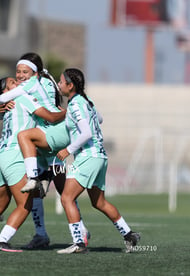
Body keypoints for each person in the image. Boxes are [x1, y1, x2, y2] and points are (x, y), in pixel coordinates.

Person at [0, 53, 90, 249]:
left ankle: (81, 229)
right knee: (37, 191)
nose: (21, 75)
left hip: (49, 140)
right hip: (38, 144)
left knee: (62, 188)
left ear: (36, 72)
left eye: (25, 72)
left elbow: (50, 114)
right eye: (19, 72)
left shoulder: (45, 84)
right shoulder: (29, 85)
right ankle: (40, 234)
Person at [0, 76, 65, 252]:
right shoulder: (22, 97)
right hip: (14, 157)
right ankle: (1, 242)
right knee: (25, 204)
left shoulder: (4, 106)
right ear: (6, 91)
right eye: (13, 83)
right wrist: (68, 111)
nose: (18, 83)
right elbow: (51, 117)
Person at [55, 68, 140, 254]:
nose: (59, 84)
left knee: (67, 198)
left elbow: (86, 133)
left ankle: (79, 243)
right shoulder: (86, 102)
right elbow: (99, 119)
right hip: (100, 156)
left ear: (70, 85)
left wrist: (67, 150)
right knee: (99, 202)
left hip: (88, 157)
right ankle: (129, 235)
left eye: (61, 81)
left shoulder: (76, 104)